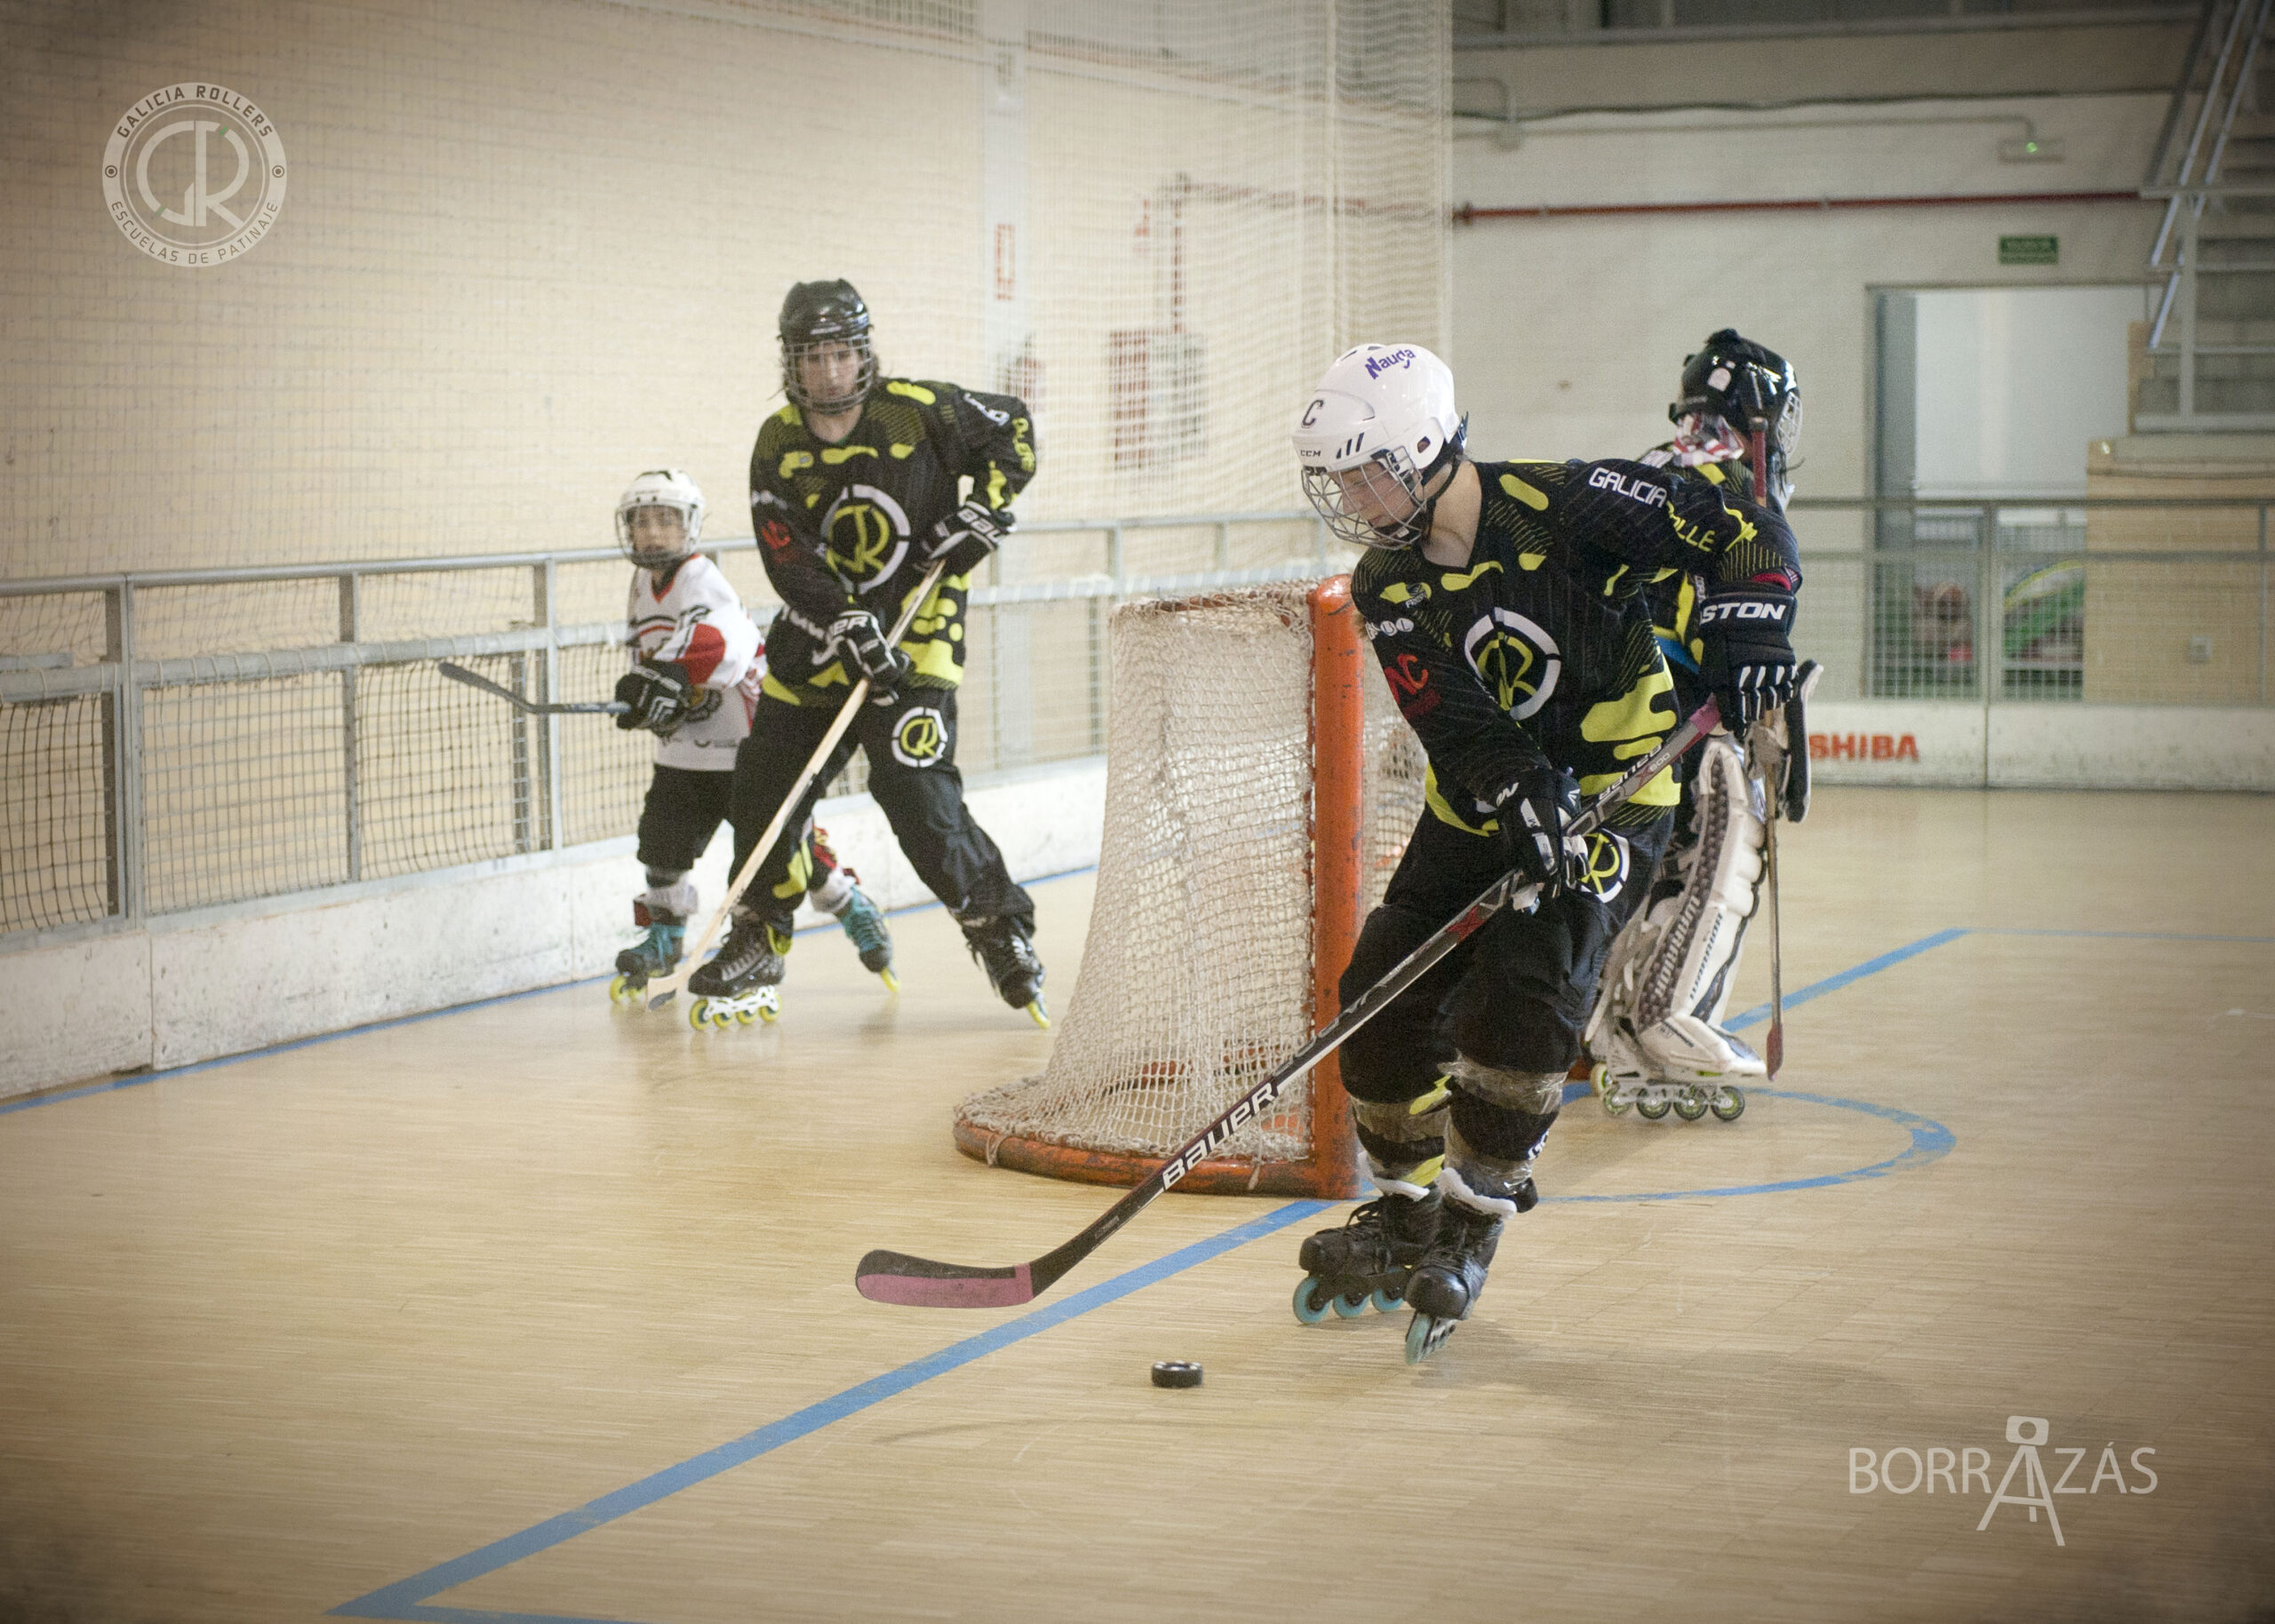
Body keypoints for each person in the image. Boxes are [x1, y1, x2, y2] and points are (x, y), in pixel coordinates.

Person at [1288, 342, 1802, 1362]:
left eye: (1368, 469)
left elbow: (1737, 516)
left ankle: (1474, 1214)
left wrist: (1754, 629)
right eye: (1338, 477)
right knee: (1376, 1001)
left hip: (1616, 794)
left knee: (1528, 995)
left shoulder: (1565, 503)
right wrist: (1515, 788)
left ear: (1430, 448)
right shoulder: (1386, 579)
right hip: (1480, 807)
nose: (1352, 493)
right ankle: (1400, 1207)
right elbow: (1453, 717)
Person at [690, 281, 1047, 1025]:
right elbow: (784, 552)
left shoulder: (920, 409)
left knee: (914, 788)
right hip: (820, 636)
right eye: (813, 357)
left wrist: (987, 506)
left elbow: (1012, 428)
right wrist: (845, 619)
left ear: (864, 352)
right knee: (764, 787)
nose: (829, 372)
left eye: (842, 353)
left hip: (917, 627)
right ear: (792, 363)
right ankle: (758, 933)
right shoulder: (778, 442)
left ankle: (997, 928)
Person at [1583, 330, 1806, 1119]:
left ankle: (1613, 1028)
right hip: (1674, 711)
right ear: (1761, 415)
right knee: (1724, 839)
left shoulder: (1657, 468)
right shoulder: (1725, 484)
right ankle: (1667, 1016)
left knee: (1641, 869)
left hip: (1617, 710)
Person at [604, 468, 893, 1019]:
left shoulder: (700, 577)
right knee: (662, 841)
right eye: (643, 522)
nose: (653, 533)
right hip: (685, 748)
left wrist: (668, 679)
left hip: (747, 743)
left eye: (666, 520)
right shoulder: (642, 584)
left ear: (689, 527)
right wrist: (648, 700)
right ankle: (666, 938)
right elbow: (649, 655)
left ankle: (849, 904)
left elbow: (720, 644)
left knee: (783, 855)